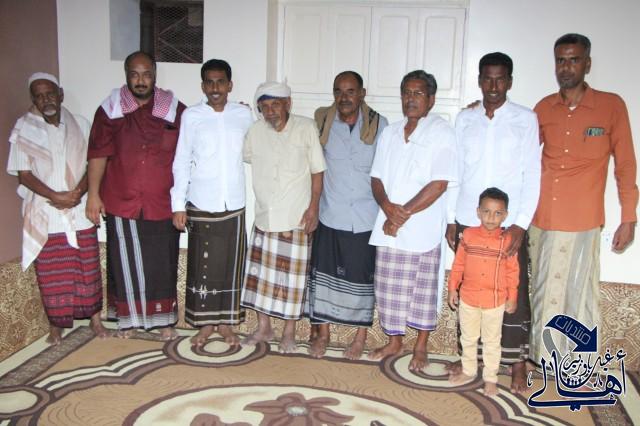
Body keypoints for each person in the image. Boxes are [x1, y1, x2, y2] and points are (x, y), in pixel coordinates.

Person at [530, 33, 638, 365]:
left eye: (574, 60)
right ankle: (544, 360)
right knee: (542, 292)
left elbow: (625, 164)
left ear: (587, 64)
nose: (566, 67)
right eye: (561, 60)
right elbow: (521, 156)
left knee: (578, 295)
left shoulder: (611, 106)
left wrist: (629, 217)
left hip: (582, 220)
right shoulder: (544, 107)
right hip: (541, 218)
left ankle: (576, 365)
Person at [445, 52, 540, 393]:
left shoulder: (524, 119)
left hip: (507, 225)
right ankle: (470, 359)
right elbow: (455, 171)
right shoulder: (465, 118)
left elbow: (533, 174)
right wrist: (451, 219)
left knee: (512, 291)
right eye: (487, 78)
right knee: (470, 289)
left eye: (500, 79)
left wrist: (520, 224)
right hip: (469, 221)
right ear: (480, 80)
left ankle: (515, 364)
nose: (493, 85)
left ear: (509, 81)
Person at [86, 51, 186, 340]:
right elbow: (98, 154)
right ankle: (128, 321)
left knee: (163, 264)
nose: (141, 80)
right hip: (122, 200)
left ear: (154, 75)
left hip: (162, 203)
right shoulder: (109, 110)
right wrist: (93, 195)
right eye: (134, 74)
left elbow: (195, 142)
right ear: (126, 76)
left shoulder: (175, 110)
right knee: (124, 264)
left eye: (146, 74)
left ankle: (164, 321)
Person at [7, 72, 108, 345]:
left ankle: (95, 319)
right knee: (52, 274)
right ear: (33, 100)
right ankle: (56, 325)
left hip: (79, 209)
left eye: (50, 94)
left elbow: (95, 163)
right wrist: (56, 196)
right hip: (46, 211)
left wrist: (78, 193)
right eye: (39, 96)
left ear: (60, 95)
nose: (46, 100)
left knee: (88, 268)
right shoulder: (23, 129)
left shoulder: (81, 124)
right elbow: (23, 174)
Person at [368, 70, 457, 371]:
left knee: (422, 291)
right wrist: (387, 208)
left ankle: (420, 346)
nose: (411, 98)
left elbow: (439, 183)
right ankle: (394, 341)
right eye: (407, 92)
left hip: (422, 227)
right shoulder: (390, 132)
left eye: (418, 93)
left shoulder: (442, 132)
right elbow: (376, 177)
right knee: (388, 289)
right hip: (389, 224)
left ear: (431, 99)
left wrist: (400, 215)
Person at [304, 71, 388, 359]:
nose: (344, 97)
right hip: (331, 212)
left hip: (366, 216)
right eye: (339, 91)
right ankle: (323, 335)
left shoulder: (379, 124)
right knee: (323, 277)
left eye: (351, 91)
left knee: (363, 279)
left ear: (362, 93)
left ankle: (359, 337)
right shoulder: (322, 121)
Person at [171, 59, 253, 347]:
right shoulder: (192, 116)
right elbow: (181, 160)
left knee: (230, 266)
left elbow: (257, 146)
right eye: (209, 82)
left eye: (220, 82)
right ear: (203, 86)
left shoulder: (243, 115)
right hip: (201, 201)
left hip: (234, 203)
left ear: (230, 85)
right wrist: (177, 204)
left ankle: (226, 325)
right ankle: (205, 326)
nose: (215, 88)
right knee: (202, 267)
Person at [241, 81, 326, 353]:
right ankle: (264, 327)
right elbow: (247, 157)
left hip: (296, 217)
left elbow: (318, 171)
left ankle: (289, 333)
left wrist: (314, 208)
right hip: (265, 216)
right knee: (260, 279)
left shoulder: (306, 127)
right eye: (264, 107)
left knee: (292, 280)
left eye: (275, 105)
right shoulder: (255, 131)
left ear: (288, 104)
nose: (270, 112)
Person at [448, 187, 519, 397]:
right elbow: (458, 264)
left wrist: (512, 296)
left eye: (497, 213)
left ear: (505, 215)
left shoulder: (508, 240)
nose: (491, 217)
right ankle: (468, 371)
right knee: (468, 338)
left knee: (492, 342)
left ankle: (490, 379)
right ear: (478, 212)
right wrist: (452, 288)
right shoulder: (468, 235)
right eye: (486, 211)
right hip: (468, 298)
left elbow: (513, 271)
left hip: (495, 301)